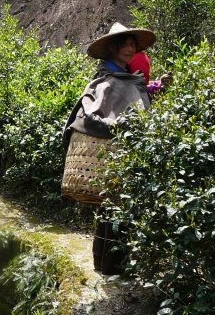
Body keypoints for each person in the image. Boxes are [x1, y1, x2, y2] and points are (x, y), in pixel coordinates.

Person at [62, 22, 165, 275]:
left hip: (125, 153)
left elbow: (137, 105)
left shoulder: (130, 77)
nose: (130, 49)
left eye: (133, 45)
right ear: (113, 48)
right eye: (126, 45)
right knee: (112, 209)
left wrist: (157, 90)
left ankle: (107, 264)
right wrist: (115, 126)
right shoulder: (107, 78)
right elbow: (96, 107)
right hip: (110, 153)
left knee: (115, 208)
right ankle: (110, 267)